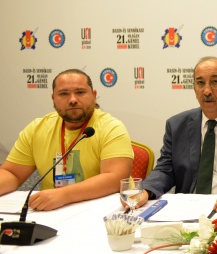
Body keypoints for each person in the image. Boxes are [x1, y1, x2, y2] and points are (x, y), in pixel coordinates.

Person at [136, 57, 217, 212]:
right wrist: (145, 190)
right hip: (187, 208)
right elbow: (165, 169)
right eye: (200, 83)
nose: (207, 91)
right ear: (194, 89)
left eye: (215, 82)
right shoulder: (176, 125)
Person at [0, 69, 133, 211]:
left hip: (101, 210)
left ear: (94, 96)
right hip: (51, 211)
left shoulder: (111, 127)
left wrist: (64, 195)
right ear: (53, 99)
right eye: (64, 94)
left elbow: (115, 178)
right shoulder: (37, 129)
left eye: (80, 92)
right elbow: (12, 173)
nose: (73, 100)